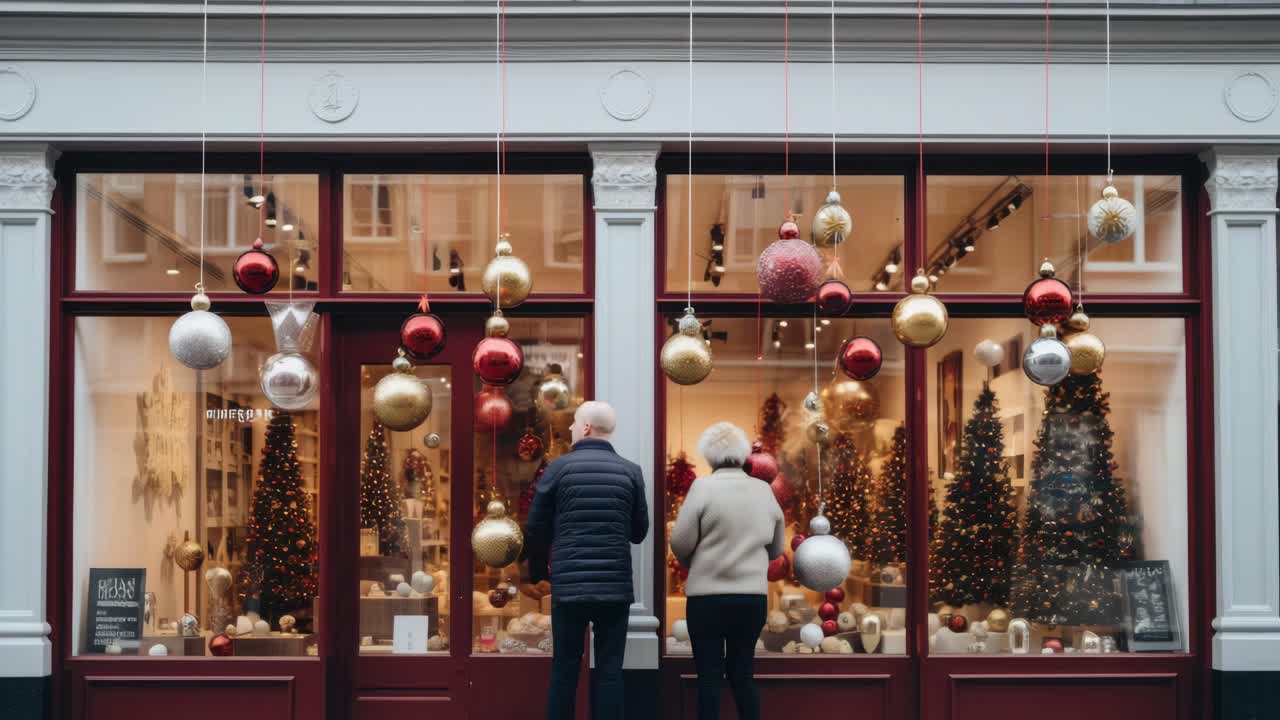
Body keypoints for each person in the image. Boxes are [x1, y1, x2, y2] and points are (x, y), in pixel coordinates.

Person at [525, 400, 649, 720]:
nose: (569, 429)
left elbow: (535, 528)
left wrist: (548, 558)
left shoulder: (557, 468)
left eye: (573, 424)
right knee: (609, 673)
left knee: (564, 673)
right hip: (614, 588)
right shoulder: (631, 472)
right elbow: (639, 532)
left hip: (569, 589)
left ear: (586, 428)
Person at [669, 422, 786, 720]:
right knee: (743, 673)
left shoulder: (703, 487)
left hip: (707, 599)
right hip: (751, 599)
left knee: (708, 676)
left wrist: (693, 559)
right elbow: (775, 551)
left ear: (709, 456)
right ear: (742, 454)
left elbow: (680, 542)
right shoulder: (763, 490)